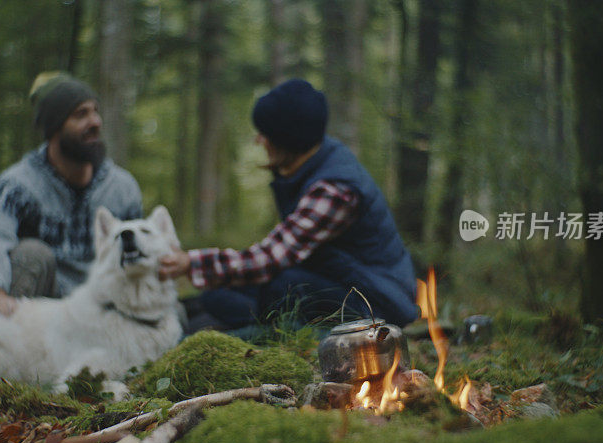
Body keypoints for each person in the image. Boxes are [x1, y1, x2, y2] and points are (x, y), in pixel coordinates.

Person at [160, 79, 419, 331]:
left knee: (280, 286)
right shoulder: (315, 160)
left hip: (376, 304)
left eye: (265, 134)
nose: (259, 141)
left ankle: (255, 330)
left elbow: (270, 258)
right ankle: (218, 316)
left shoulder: (334, 190)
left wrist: (190, 263)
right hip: (341, 283)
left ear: (287, 140)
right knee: (217, 295)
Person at [0, 72, 143, 316]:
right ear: (54, 129)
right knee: (31, 255)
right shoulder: (14, 186)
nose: (95, 122)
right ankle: (8, 346)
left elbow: (138, 253)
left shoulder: (122, 187)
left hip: (107, 306)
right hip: (43, 311)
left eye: (95, 111)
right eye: (81, 114)